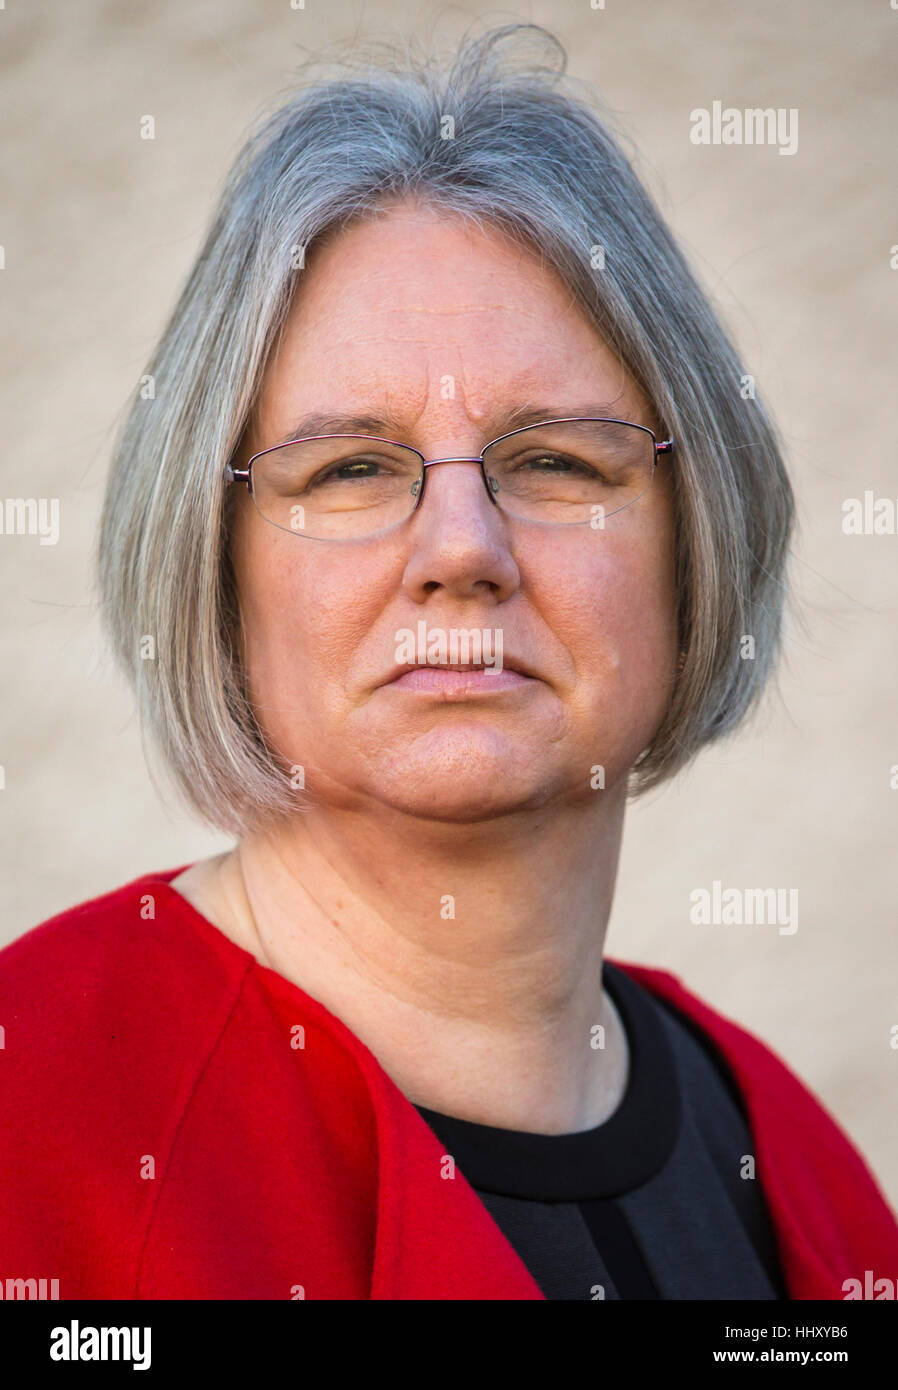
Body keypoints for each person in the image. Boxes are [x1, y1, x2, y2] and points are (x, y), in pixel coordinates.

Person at [1, 23, 895, 1301]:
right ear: (213, 562)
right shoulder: (34, 1117)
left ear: (695, 544)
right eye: (352, 467)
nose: (462, 548)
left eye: (556, 462)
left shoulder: (786, 1159)